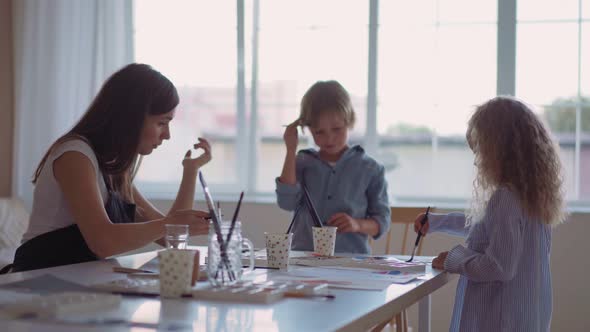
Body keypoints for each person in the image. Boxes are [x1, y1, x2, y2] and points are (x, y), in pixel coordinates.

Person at [4, 63, 212, 273]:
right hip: (36, 282)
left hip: (76, 282)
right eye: (162, 123)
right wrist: (171, 224)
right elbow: (102, 241)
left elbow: (169, 236)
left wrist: (191, 171)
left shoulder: (115, 170)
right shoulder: (75, 156)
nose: (167, 135)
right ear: (133, 117)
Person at [414, 96, 566, 332]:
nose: (477, 163)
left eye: (480, 153)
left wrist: (453, 259)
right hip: (527, 316)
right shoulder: (533, 195)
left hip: (500, 318)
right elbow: (487, 226)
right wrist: (436, 222)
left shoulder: (506, 198)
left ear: (500, 152)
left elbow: (499, 266)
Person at [276, 80, 390, 254]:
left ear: (349, 121)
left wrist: (356, 224)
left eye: (337, 129)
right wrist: (291, 150)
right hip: (305, 260)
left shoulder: (370, 169)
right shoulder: (301, 163)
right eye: (319, 132)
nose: (329, 139)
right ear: (308, 129)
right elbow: (286, 203)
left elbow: (382, 221)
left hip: (351, 263)